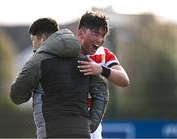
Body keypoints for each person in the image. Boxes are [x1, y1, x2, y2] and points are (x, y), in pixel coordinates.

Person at [10, 18, 107, 138]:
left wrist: (30, 90)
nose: (33, 45)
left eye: (33, 40)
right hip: (81, 133)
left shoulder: (37, 60)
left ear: (43, 39)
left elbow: (16, 95)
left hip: (51, 133)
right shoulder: (84, 60)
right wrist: (90, 125)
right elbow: (101, 93)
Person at [77, 11, 130, 139]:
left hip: (91, 121)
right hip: (66, 116)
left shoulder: (103, 54)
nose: (100, 40)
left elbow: (124, 80)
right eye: (96, 34)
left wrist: (101, 69)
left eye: (103, 35)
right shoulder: (65, 50)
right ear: (80, 33)